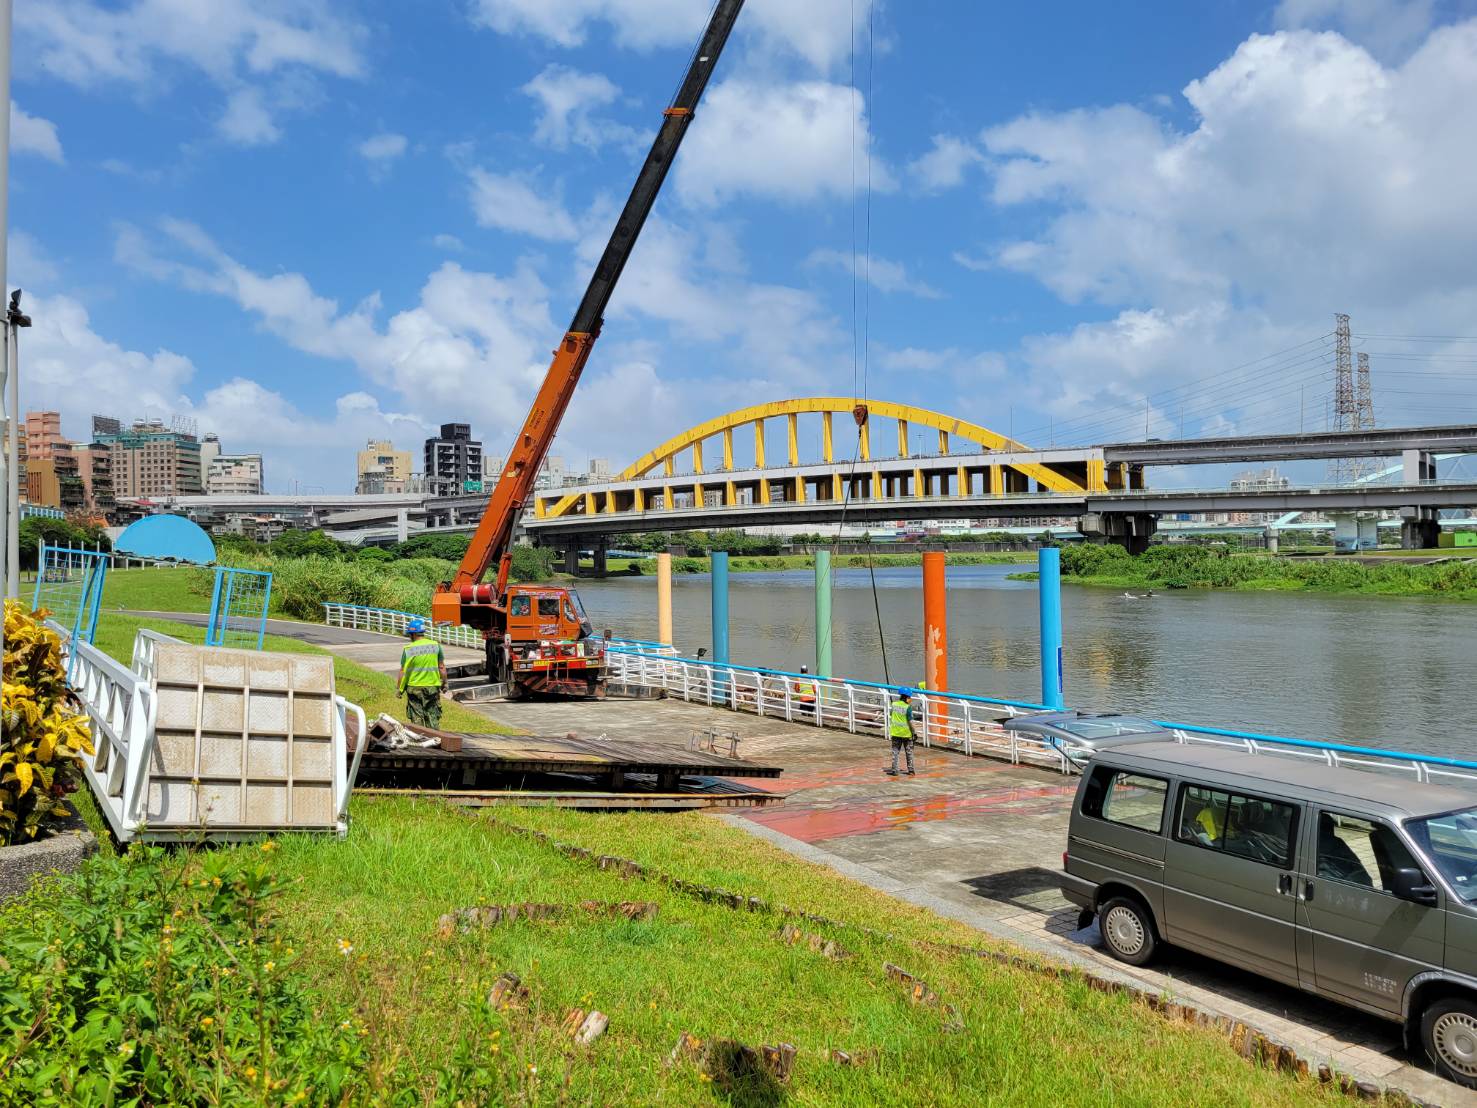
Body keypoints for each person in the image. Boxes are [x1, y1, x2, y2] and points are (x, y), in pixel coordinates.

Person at [397, 619, 447, 729]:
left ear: (413, 634)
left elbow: (403, 671)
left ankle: (419, 742)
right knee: (432, 716)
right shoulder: (435, 646)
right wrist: (444, 684)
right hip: (431, 688)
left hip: (413, 688)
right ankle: (434, 741)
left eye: (410, 634)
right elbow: (442, 667)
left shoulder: (408, 649)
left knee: (417, 718)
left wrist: (399, 690)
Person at [885, 688, 916, 776]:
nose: (910, 699)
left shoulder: (894, 704)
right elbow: (910, 721)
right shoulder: (908, 707)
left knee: (895, 752)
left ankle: (895, 770)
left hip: (895, 733)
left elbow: (891, 715)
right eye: (909, 697)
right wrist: (914, 732)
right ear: (906, 697)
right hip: (906, 734)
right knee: (909, 752)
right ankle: (911, 770)